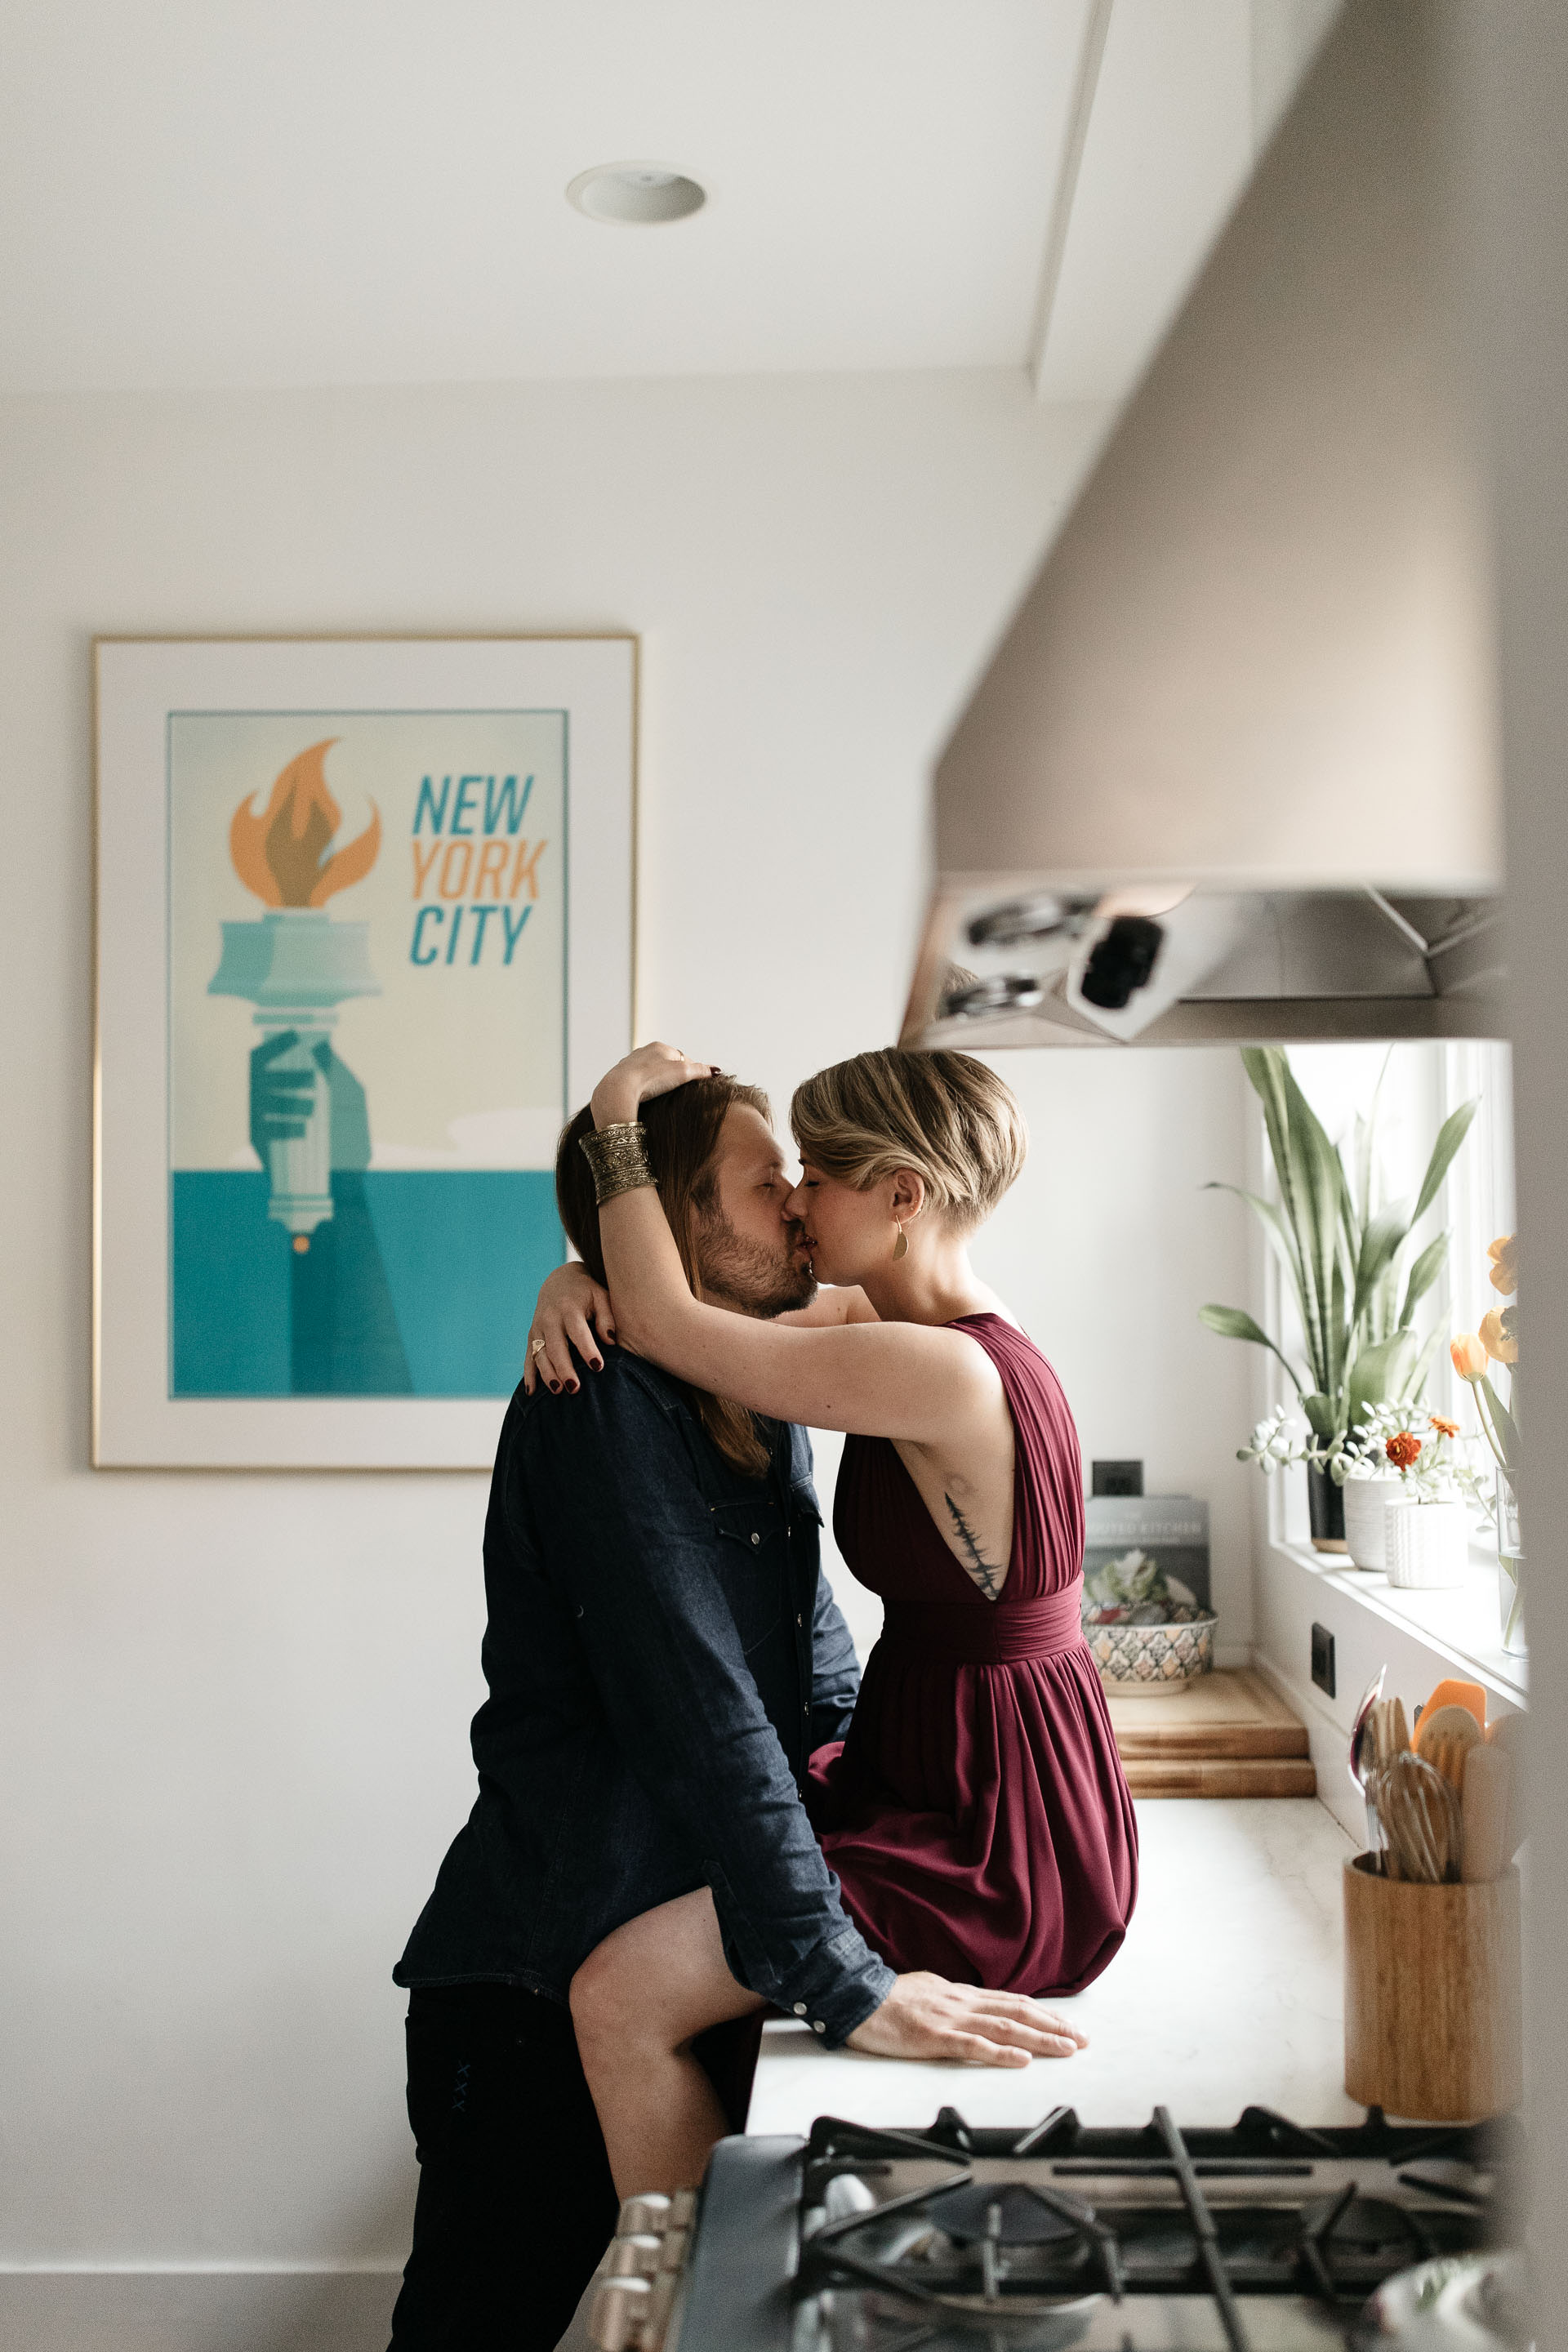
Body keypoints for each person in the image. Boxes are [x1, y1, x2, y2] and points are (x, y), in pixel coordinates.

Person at [388, 1071, 1081, 2352]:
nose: (799, 1206)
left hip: (699, 1916)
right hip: (540, 1974)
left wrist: (850, 1863)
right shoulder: (603, 1399)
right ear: (674, 1224)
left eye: (807, 1178)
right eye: (768, 1186)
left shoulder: (765, 1400)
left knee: (686, 2311)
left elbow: (809, 1672)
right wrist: (838, 1972)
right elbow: (705, 1717)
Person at [527, 1041, 1137, 2205]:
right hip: (958, 1773)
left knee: (620, 1994)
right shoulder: (914, 1333)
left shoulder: (938, 1372)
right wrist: (571, 1280)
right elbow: (675, 1310)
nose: (799, 1203)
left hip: (995, 1827)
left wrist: (616, 1116)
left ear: (902, 1197)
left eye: (818, 1177)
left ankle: (699, 2320)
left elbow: (663, 1321)